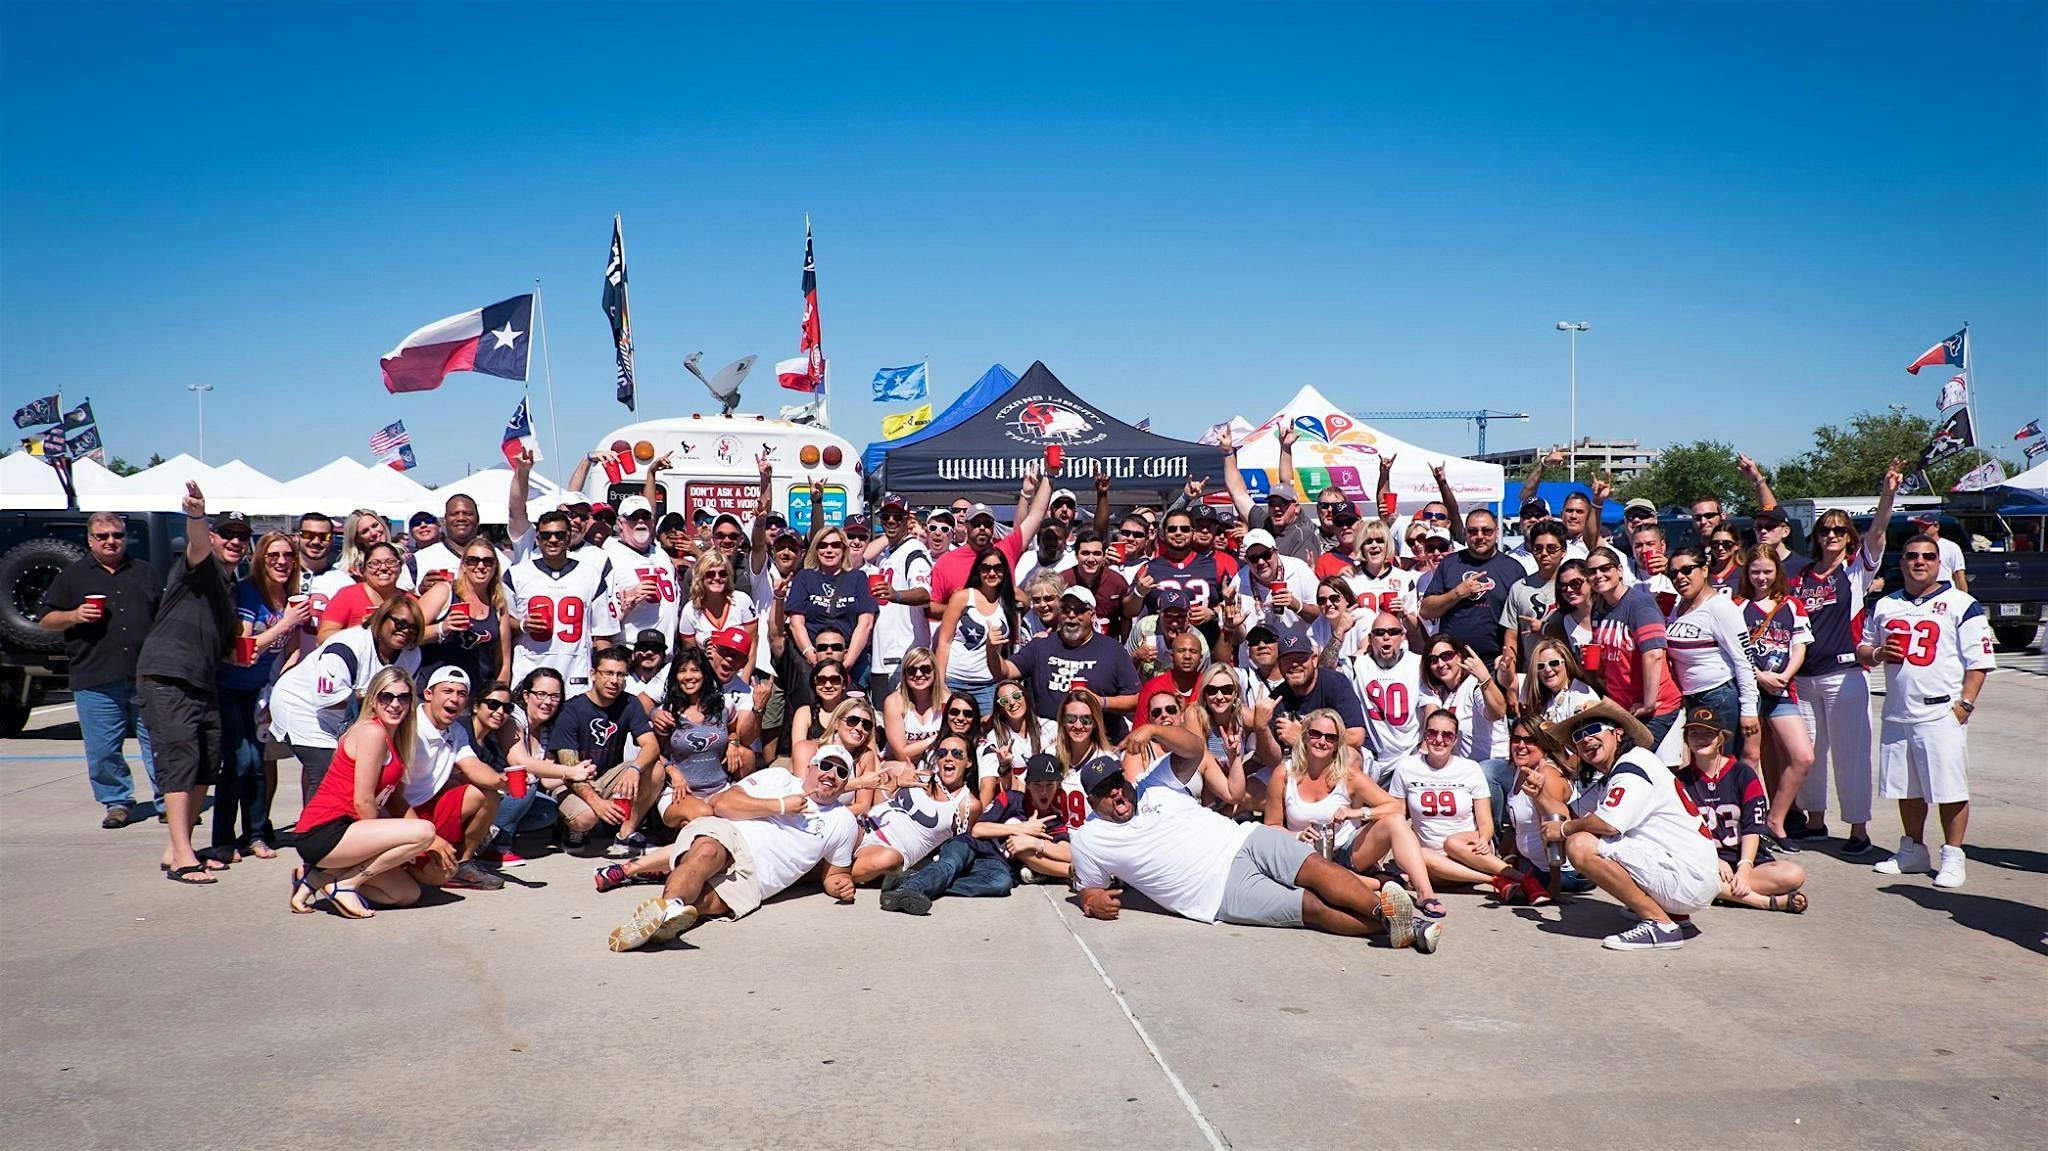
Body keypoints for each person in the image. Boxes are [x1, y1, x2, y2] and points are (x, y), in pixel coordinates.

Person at [1069, 756, 1433, 951]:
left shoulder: (1153, 785)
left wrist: (1151, 733)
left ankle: (1398, 919)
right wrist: (1091, 902)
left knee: (1317, 868)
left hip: (1242, 837)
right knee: (1310, 907)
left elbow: (1192, 747)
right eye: (1105, 791)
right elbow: (1087, 888)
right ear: (1091, 800)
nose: (1117, 793)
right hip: (1216, 890)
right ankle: (1405, 927)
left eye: (1119, 783)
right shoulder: (1089, 839)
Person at [603, 748, 861, 952]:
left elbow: (835, 874)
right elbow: (721, 803)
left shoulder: (843, 821)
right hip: (732, 837)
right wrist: (780, 805)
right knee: (706, 853)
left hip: (759, 880)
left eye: (841, 772)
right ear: (811, 767)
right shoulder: (780, 779)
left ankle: (653, 926)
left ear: (845, 782)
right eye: (826, 766)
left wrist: (842, 886)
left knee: (704, 904)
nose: (831, 775)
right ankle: (669, 906)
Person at [1863, 534, 1994, 888]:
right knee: (1907, 786)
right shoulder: (1886, 604)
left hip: (1941, 710)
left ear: (1940, 563)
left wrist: (1965, 704)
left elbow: (1979, 660)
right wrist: (1876, 655)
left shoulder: (1961, 603)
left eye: (1928, 557)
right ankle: (1913, 849)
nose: (1919, 562)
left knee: (1948, 787)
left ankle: (1953, 855)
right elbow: (1863, 646)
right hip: (1898, 708)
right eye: (1912, 556)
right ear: (1901, 562)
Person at [1538, 701, 1720, 951]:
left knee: (1580, 845)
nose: (1586, 739)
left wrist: (1564, 830)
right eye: (1578, 736)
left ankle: (1660, 924)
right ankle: (1671, 913)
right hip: (1686, 875)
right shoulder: (1618, 771)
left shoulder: (1632, 767)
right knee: (1585, 838)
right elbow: (1571, 813)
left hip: (1688, 878)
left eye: (1594, 730)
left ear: (1617, 732)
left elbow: (1606, 824)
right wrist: (1540, 794)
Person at [1788, 462, 1902, 853]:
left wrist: (1887, 494)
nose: (1831, 535)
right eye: (1824, 530)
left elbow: (1879, 532)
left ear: (1848, 537)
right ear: (1816, 537)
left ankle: (1858, 829)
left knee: (1850, 756)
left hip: (1844, 676)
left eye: (1839, 530)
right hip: (1803, 678)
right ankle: (1815, 821)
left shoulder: (1855, 573)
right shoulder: (1801, 576)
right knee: (1810, 755)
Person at [137, 485, 244, 884]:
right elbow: (196, 544)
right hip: (169, 674)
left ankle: (177, 845)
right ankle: (183, 854)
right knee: (180, 760)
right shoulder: (200, 566)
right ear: (214, 538)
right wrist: (198, 516)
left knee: (205, 762)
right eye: (227, 534)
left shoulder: (232, 586)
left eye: (242, 537)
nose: (234, 542)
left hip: (203, 679)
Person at [38, 511, 160, 828]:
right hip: (95, 677)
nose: (110, 541)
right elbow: (46, 620)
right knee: (103, 750)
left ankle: (168, 801)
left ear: (125, 537)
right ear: (90, 539)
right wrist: (76, 614)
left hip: (144, 675)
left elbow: (163, 618)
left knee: (159, 745)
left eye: (116, 535)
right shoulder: (73, 577)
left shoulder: (145, 573)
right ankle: (117, 803)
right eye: (102, 536)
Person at [287, 667, 439, 918]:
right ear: (373, 700)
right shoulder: (372, 732)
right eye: (386, 697)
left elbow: (389, 798)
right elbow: (364, 799)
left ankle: (314, 878)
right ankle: (346, 885)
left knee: (406, 894)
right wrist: (382, 843)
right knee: (424, 831)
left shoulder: (394, 738)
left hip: (347, 832)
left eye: (403, 697)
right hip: (325, 831)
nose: (395, 704)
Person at [1266, 707, 1442, 920]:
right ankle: (1382, 882)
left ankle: (1425, 893)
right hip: (1304, 857)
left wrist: (1355, 812)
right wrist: (1297, 836)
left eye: (1330, 738)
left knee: (1395, 821)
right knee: (1320, 885)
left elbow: (1395, 807)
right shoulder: (1284, 773)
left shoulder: (1348, 774)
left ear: (1337, 744)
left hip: (1348, 850)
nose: (1322, 742)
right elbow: (1271, 826)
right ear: (1304, 737)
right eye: (1315, 734)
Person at [211, 530, 309, 861]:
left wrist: (276, 690)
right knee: (239, 762)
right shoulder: (249, 593)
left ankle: (255, 833)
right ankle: (223, 838)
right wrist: (285, 624)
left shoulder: (291, 596)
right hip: (230, 687)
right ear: (260, 560)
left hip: (259, 690)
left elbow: (293, 649)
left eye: (287, 556)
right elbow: (245, 645)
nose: (282, 562)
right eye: (273, 556)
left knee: (260, 763)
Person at [269, 598, 425, 797]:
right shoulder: (348, 645)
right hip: (302, 706)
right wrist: (372, 696)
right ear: (381, 619)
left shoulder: (411, 656)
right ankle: (317, 827)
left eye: (413, 627)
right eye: (400, 623)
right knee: (326, 772)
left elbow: (400, 700)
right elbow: (325, 699)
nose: (406, 631)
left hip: (344, 717)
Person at [1675, 711, 1809, 913]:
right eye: (1694, 733)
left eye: (1708, 734)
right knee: (1677, 871)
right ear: (1686, 739)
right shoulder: (1680, 781)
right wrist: (1713, 860)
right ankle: (1762, 901)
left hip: (1745, 858)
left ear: (1721, 738)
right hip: (1704, 862)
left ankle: (1719, 892)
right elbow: (1680, 832)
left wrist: (1744, 869)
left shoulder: (1742, 773)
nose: (1701, 739)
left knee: (1792, 874)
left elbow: (1752, 827)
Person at [1384, 709, 1525, 902]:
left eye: (1447, 735)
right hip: (1433, 863)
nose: (1439, 740)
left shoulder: (1470, 769)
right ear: (1425, 735)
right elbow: (1397, 815)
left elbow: (1485, 820)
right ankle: (1495, 879)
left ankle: (1520, 878)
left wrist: (1484, 838)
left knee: (1451, 844)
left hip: (1470, 851)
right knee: (1420, 855)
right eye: (1432, 733)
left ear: (1456, 739)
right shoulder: (1407, 767)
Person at [400, 667, 508, 891]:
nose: (454, 699)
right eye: (447, 691)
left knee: (487, 794)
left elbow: (473, 766)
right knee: (431, 878)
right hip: (398, 813)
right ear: (429, 694)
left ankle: (463, 863)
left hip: (430, 808)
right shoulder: (408, 723)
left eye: (461, 694)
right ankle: (403, 863)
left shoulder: (456, 730)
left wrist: (502, 781)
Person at [466, 674, 591, 868]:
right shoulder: (513, 719)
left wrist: (585, 777)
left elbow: (548, 780)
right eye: (541, 694)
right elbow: (520, 762)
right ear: (525, 695)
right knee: (526, 781)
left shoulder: (549, 728)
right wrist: (569, 771)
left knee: (547, 811)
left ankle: (490, 835)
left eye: (554, 696)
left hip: (498, 792)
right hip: (484, 792)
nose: (547, 701)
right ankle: (496, 846)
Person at [1735, 549, 1814, 848]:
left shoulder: (1791, 605)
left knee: (1803, 756)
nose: (1761, 577)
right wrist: (1759, 676)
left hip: (1782, 690)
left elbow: (1800, 646)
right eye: (1755, 571)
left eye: (1767, 571)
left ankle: (1775, 819)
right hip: (1751, 690)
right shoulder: (1738, 606)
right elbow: (1735, 652)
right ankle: (1750, 825)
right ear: (1747, 573)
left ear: (1777, 571)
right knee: (1750, 758)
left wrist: (1784, 676)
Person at [550, 645, 661, 855]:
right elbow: (570, 769)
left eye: (621, 674)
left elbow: (651, 745)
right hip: (571, 780)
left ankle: (625, 834)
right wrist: (597, 803)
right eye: (608, 673)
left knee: (654, 768)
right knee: (586, 818)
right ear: (593, 674)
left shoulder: (630, 703)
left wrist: (635, 769)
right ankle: (572, 828)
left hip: (608, 778)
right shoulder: (572, 709)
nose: (614, 680)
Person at [504, 509, 623, 697]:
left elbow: (603, 635)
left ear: (568, 538)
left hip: (575, 675)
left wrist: (604, 678)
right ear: (537, 539)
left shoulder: (591, 575)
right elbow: (502, 623)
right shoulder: (516, 575)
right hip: (529, 669)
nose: (552, 540)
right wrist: (523, 624)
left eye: (559, 535)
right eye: (546, 535)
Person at [993, 586, 1142, 728]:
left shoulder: (1113, 650)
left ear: (1092, 614)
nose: (1071, 615)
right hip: (1050, 738)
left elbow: (1135, 699)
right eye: (1066, 610)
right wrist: (992, 650)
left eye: (1079, 610)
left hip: (1099, 738)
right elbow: (1005, 672)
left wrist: (1100, 702)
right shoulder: (1040, 646)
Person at [1663, 546, 1761, 761]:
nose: (1680, 577)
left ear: (1705, 570)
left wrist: (1749, 710)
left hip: (1719, 697)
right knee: (1702, 768)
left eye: (1687, 570)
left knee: (1720, 767)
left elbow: (1744, 660)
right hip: (1690, 699)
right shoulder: (1677, 607)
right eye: (1673, 573)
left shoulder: (1720, 607)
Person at [1586, 545, 1683, 749]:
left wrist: (1649, 703)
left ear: (1619, 570)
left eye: (1605, 568)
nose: (1598, 575)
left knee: (1636, 761)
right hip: (1622, 708)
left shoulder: (1640, 604)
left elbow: (1654, 655)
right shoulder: (1599, 608)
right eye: (1592, 571)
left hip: (1656, 708)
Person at [857, 732, 981, 886]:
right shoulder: (921, 775)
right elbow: (878, 801)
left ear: (969, 761)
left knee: (886, 859)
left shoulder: (967, 804)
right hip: (867, 824)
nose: (949, 757)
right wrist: (896, 782)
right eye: (942, 753)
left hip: (890, 850)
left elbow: (962, 841)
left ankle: (835, 876)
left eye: (957, 754)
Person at [1329, 608, 1424, 781]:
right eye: (1379, 633)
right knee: (1349, 759)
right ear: (1371, 638)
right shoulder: (1356, 665)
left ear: (1402, 636)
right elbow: (1323, 673)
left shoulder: (1417, 664)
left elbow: (1431, 705)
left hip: (1409, 756)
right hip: (1371, 757)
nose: (1386, 637)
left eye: (1393, 632)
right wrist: (1339, 633)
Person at [1419, 509, 1524, 665]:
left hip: (1494, 662)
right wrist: (1457, 593)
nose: (1479, 536)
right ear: (1465, 533)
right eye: (1473, 531)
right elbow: (1426, 611)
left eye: (1486, 531)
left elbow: (1520, 622)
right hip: (1452, 662)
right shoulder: (1450, 564)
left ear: (1497, 532)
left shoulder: (1513, 569)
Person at [786, 524, 880, 688]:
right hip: (813, 660)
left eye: (836, 545)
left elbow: (866, 623)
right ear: (815, 550)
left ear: (844, 549)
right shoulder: (804, 577)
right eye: (823, 545)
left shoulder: (858, 578)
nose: (829, 550)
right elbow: (796, 623)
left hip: (852, 660)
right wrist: (812, 657)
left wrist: (847, 663)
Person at [415, 537, 512, 691]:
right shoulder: (444, 591)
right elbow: (409, 635)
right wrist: (442, 628)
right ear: (463, 565)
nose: (480, 566)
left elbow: (503, 663)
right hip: (437, 695)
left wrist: (496, 700)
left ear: (495, 568)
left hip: (476, 699)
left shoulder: (498, 605)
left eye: (488, 561)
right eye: (473, 560)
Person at [1219, 425, 1320, 563]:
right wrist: (1228, 453)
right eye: (1272, 503)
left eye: (1283, 503)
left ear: (1296, 507)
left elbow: (1287, 484)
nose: (1277, 508)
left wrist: (1286, 450)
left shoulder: (1302, 531)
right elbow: (1238, 493)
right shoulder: (1264, 522)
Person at [935, 545, 1017, 712]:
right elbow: (944, 641)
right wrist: (941, 684)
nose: (992, 573)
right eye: (985, 568)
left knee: (988, 735)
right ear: (978, 570)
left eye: (997, 568)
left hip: (988, 684)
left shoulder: (1008, 602)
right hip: (954, 680)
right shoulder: (963, 597)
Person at [869, 494, 934, 690]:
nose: (891, 521)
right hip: (882, 654)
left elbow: (924, 593)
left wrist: (896, 595)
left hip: (905, 653)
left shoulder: (914, 551)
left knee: (902, 716)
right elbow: (858, 559)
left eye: (897, 517)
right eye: (886, 516)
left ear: (908, 520)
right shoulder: (886, 554)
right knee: (882, 716)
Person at [603, 494, 682, 647]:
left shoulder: (661, 554)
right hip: (631, 652)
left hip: (666, 654)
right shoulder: (610, 557)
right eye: (633, 517)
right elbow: (601, 621)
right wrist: (626, 604)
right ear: (620, 523)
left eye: (645, 516)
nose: (640, 521)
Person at [1499, 520, 1567, 683]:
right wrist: (1511, 683)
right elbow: (1510, 640)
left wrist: (1544, 628)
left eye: (1551, 548)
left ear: (1563, 551)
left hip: (1569, 676)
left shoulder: (1573, 587)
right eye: (1538, 548)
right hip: (1532, 677)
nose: (1544, 553)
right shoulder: (1519, 587)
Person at [316, 541, 409, 641]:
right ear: (363, 570)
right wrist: (362, 630)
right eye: (374, 563)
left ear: (400, 567)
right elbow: (322, 638)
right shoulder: (348, 595)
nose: (383, 567)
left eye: (391, 562)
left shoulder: (409, 600)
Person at [882, 646, 948, 765]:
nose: (918, 674)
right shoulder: (894, 702)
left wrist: (912, 747)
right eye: (912, 670)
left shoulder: (947, 700)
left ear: (934, 671)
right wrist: (936, 739)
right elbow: (901, 754)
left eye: (925, 669)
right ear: (904, 674)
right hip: (900, 764)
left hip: (937, 762)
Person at [1065, 530, 1132, 641]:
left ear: (1104, 556)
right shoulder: (1063, 581)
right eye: (1085, 553)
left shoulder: (1117, 582)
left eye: (1096, 554)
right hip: (1071, 644)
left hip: (1108, 645)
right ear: (1076, 555)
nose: (1091, 559)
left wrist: (1124, 648)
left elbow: (1126, 617)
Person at [1519, 637, 1601, 725]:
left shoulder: (1581, 695)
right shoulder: (1545, 697)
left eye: (1554, 663)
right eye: (1540, 666)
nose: (1547, 669)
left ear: (1566, 663)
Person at [1908, 512, 1969, 592]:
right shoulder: (1914, 547)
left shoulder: (1951, 547)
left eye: (1926, 526)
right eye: (1920, 526)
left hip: (1946, 593)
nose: (1922, 529)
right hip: (1922, 594)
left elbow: (1959, 576)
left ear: (1936, 527)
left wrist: (1963, 599)